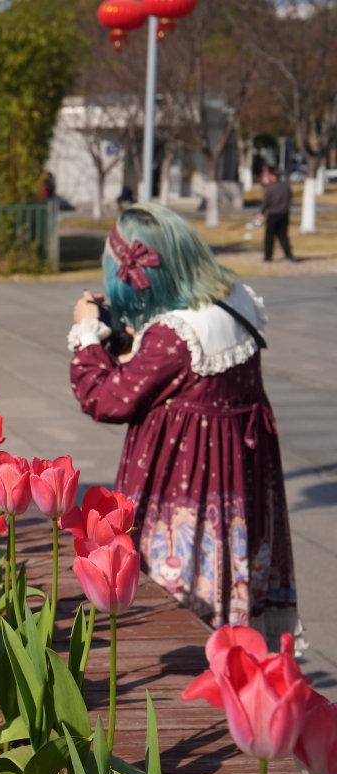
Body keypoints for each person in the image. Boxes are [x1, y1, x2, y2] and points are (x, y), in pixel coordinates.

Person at [66, 203, 297, 641]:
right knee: (228, 569)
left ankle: (190, 651)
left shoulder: (176, 334)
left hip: (186, 482)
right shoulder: (236, 301)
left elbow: (106, 398)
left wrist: (87, 333)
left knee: (180, 589)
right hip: (237, 481)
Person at [255, 168, 297, 263]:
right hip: (284, 214)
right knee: (283, 235)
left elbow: (266, 202)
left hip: (273, 214)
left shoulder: (270, 188)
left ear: (273, 177)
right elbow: (290, 199)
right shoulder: (286, 187)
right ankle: (289, 254)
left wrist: (261, 213)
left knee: (269, 236)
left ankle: (268, 256)